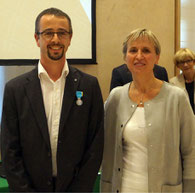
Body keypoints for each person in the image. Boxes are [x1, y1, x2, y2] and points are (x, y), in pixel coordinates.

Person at [1, 8, 104, 192]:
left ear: (70, 38)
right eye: (48, 33)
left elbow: (95, 145)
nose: (56, 39)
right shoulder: (14, 90)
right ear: (37, 38)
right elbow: (10, 150)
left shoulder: (89, 86)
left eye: (62, 33)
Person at [101, 28, 195, 193]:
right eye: (133, 50)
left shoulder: (177, 98)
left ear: (157, 57)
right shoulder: (115, 98)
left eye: (146, 50)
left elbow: (191, 152)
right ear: (125, 58)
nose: (139, 56)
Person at [170, 48, 195, 113]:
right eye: (182, 62)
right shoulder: (173, 82)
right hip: (183, 119)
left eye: (188, 61)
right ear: (177, 65)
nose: (185, 65)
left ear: (194, 62)